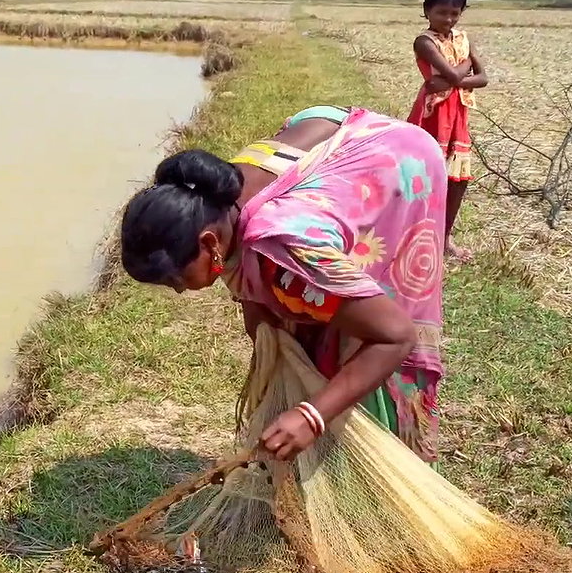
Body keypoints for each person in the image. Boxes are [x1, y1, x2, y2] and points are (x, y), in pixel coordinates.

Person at [119, 105, 448, 465]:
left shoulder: (282, 251)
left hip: (401, 162)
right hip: (326, 131)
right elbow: (250, 288)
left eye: (176, 279)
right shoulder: (210, 195)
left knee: (361, 330)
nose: (180, 289)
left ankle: (373, 449)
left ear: (210, 243)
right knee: (304, 305)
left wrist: (312, 415)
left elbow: (396, 336)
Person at [407, 0, 487, 263]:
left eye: (455, 13)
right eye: (442, 12)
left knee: (457, 180)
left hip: (457, 115)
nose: (449, 19)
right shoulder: (424, 42)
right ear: (427, 10)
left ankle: (444, 237)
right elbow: (456, 74)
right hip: (433, 114)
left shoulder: (462, 39)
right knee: (425, 175)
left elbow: (483, 78)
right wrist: (464, 65)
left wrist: (452, 80)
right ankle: (412, 232)